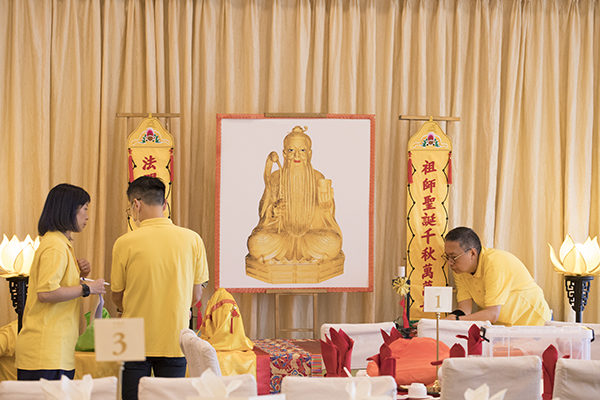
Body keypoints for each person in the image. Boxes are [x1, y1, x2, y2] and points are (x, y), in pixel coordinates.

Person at [111, 176, 209, 400]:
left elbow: (117, 296)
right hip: (175, 337)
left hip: (133, 339)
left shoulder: (124, 243)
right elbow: (196, 294)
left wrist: (131, 306)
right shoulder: (192, 239)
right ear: (164, 204)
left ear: (136, 205)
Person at [15, 183, 106, 380]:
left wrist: (80, 276)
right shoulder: (55, 246)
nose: (87, 216)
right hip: (46, 352)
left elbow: (57, 287)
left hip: (54, 351)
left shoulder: (59, 244)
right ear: (69, 210)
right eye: (84, 209)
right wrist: (86, 288)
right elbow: (46, 293)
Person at [246, 126, 343, 264]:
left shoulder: (318, 177)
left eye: (302, 150)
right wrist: (272, 212)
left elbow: (326, 220)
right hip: (281, 238)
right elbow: (264, 208)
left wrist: (326, 209)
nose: (296, 156)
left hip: (310, 237)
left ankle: (285, 259)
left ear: (310, 153)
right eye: (291, 150)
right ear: (284, 154)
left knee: (332, 242)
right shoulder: (276, 177)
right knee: (257, 242)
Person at [443, 226, 551, 326]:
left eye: (453, 257)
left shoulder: (494, 265)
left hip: (535, 323)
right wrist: (448, 320)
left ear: (472, 253)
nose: (449, 263)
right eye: (447, 257)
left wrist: (457, 320)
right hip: (505, 327)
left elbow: (492, 314)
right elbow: (465, 308)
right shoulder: (460, 271)